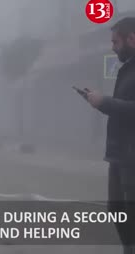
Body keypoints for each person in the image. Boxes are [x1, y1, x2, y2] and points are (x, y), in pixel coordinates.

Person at [81, 17, 135, 254]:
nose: (112, 47)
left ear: (132, 38)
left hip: (132, 158)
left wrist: (104, 102)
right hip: (120, 155)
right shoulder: (127, 69)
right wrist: (101, 103)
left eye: (116, 41)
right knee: (117, 211)